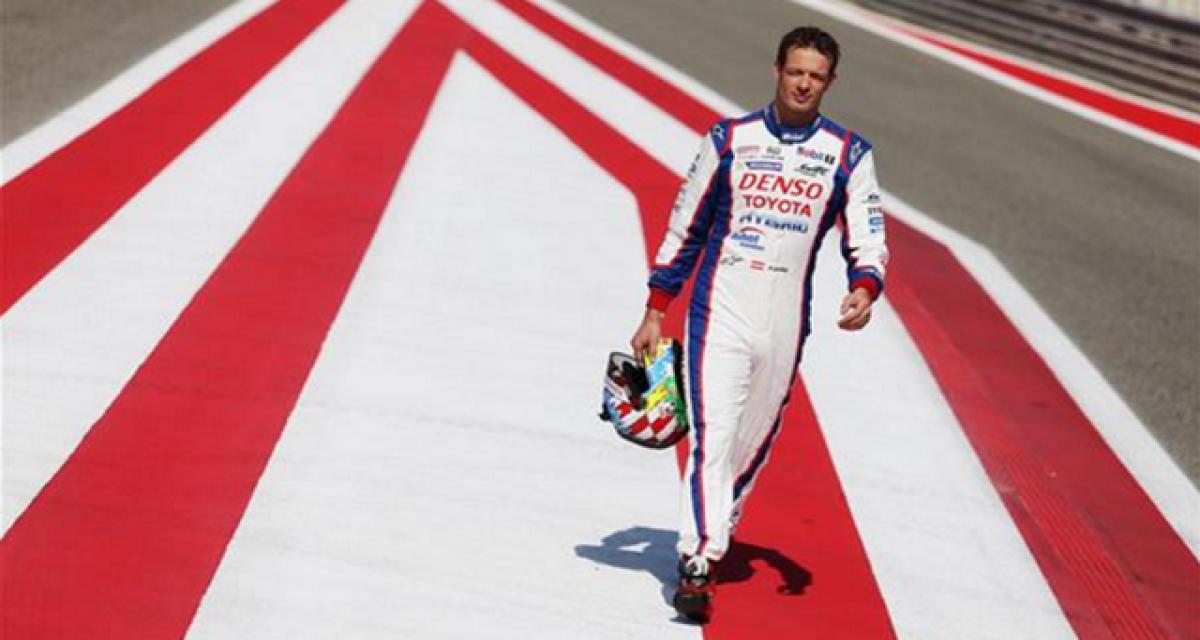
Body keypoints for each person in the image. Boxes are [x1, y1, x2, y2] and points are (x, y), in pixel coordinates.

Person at [629, 25, 888, 622]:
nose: (803, 84)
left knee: (753, 442)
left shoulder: (849, 154)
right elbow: (686, 226)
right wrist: (655, 308)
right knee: (713, 435)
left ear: (830, 82)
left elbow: (868, 233)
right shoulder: (729, 141)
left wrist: (865, 286)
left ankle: (716, 520)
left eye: (815, 76)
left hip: (785, 318)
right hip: (720, 307)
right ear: (777, 70)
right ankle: (699, 559)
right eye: (795, 71)